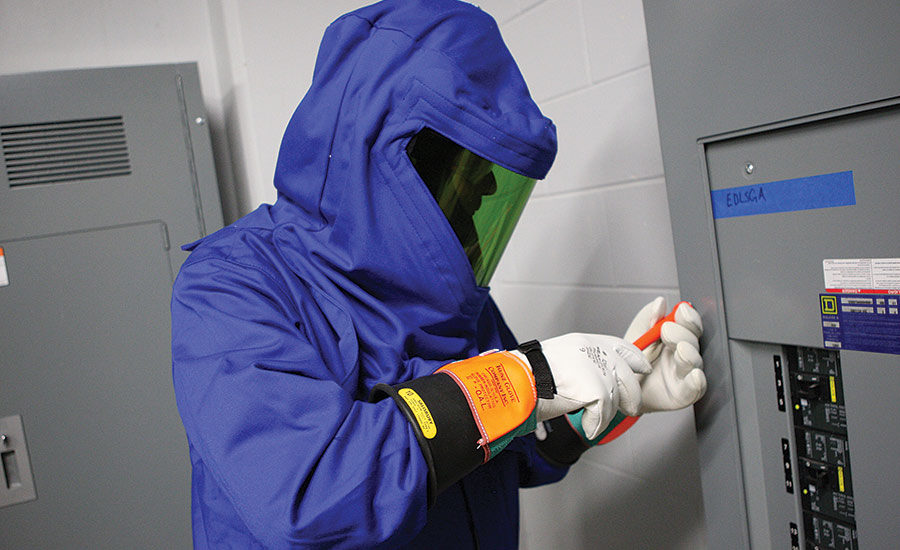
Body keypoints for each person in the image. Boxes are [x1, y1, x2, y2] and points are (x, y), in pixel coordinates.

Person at [170, 1, 707, 548]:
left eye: (486, 178)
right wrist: (523, 381)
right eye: (461, 171)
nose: (475, 203)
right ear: (377, 152)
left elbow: (505, 454)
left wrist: (604, 401)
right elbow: (312, 498)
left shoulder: (453, 297)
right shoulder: (230, 286)